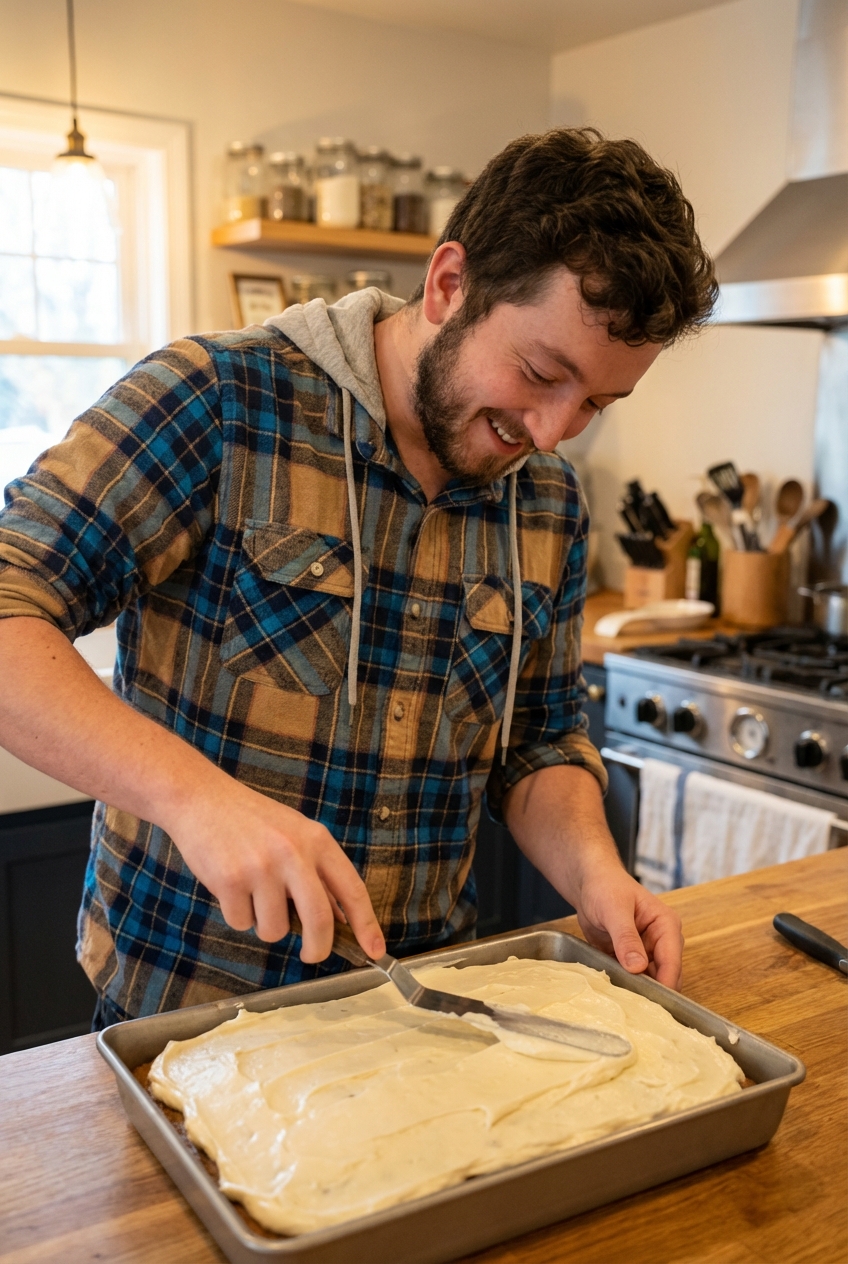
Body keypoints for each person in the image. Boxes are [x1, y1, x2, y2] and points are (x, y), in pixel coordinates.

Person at [0, 128, 716, 1025]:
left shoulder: (549, 505)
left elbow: (538, 737)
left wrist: (596, 871)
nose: (551, 431)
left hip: (417, 1017)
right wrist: (196, 799)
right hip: (182, 1011)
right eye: (540, 372)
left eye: (597, 404)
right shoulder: (219, 401)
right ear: (450, 284)